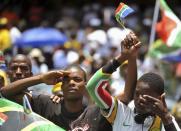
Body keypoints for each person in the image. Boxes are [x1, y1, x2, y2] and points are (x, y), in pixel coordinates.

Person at [0, 31, 139, 130]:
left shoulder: (98, 111)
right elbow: (6, 93)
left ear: (85, 85)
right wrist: (41, 78)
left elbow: (127, 96)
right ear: (61, 86)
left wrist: (130, 57)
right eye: (66, 80)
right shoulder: (46, 104)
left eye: (77, 79)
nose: (71, 83)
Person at [86, 31, 181, 131]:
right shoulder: (120, 111)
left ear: (160, 99)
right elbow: (92, 87)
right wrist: (122, 57)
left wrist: (165, 118)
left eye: (146, 97)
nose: (140, 99)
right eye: (136, 94)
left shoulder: (166, 122)